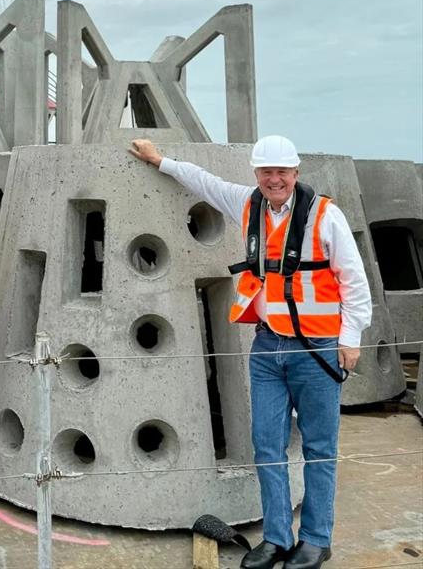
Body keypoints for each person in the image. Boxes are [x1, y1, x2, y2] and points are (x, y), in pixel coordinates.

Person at [129, 135, 371, 569]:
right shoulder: (249, 203)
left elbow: (354, 279)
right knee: (267, 446)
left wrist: (350, 338)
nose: (274, 179)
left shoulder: (324, 215)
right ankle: (277, 539)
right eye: (266, 172)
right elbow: (202, 181)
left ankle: (316, 539)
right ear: (257, 174)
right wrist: (161, 161)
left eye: (282, 172)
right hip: (267, 346)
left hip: (317, 349)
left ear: (296, 174)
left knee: (319, 448)